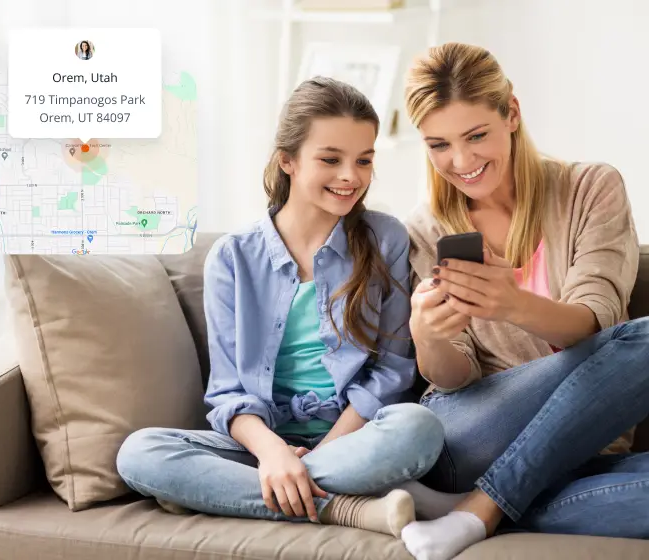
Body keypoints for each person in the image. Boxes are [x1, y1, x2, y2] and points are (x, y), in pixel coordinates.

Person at [116, 76, 445, 537]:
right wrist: (273, 454)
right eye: (331, 159)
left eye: (364, 160)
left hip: (354, 438)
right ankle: (346, 508)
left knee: (418, 427)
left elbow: (392, 371)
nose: (351, 176)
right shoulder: (232, 259)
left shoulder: (384, 238)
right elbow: (228, 390)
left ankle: (239, 494)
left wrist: (323, 451)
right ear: (287, 160)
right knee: (140, 452)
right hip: (262, 444)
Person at [396, 42, 649, 560]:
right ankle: (482, 507)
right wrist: (427, 336)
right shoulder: (424, 231)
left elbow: (594, 323)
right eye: (439, 145)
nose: (461, 162)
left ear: (511, 113)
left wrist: (512, 304)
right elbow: (454, 375)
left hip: (586, 450)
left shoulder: (590, 188)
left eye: (476, 136)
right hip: (472, 434)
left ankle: (474, 509)